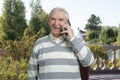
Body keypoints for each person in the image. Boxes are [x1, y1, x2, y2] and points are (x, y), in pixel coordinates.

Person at [28, 7, 94, 80]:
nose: (56, 23)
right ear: (49, 21)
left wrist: (72, 39)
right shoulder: (39, 44)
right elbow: (32, 73)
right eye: (53, 19)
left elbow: (89, 62)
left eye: (61, 20)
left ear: (66, 22)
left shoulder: (77, 41)